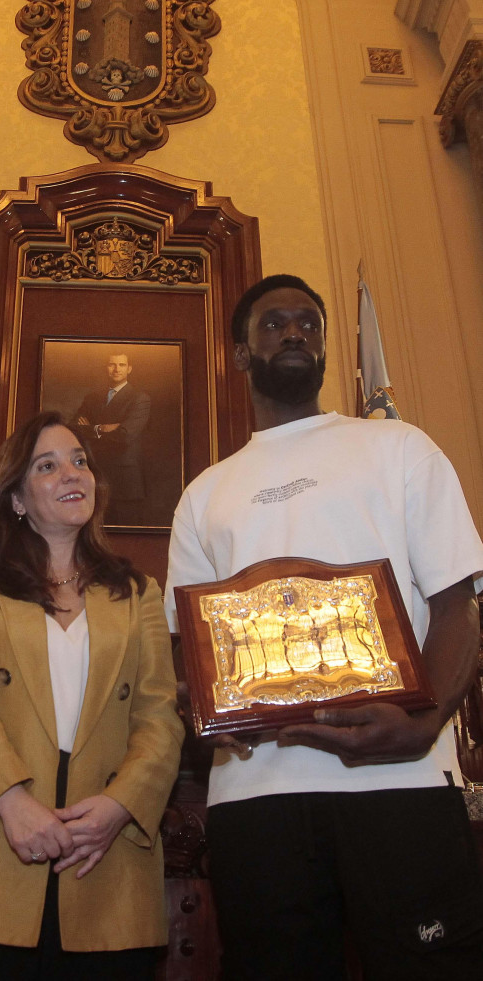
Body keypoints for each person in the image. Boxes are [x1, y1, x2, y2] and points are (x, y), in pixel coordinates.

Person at [164, 274, 483, 980]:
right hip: (254, 797)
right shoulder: (202, 494)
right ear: (240, 353)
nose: (293, 332)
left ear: (325, 346)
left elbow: (460, 601)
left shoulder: (400, 447)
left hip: (399, 780)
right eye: (273, 322)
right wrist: (203, 703)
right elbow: (192, 648)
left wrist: (422, 721)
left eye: (307, 322)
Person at [0, 412, 184, 979]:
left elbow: (159, 714)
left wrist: (120, 805)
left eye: (79, 461)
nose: (71, 473)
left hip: (101, 854)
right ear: (17, 499)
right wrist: (12, 802)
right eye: (47, 466)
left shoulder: (138, 592)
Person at [72, 352, 151, 525]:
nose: (116, 369)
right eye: (112, 364)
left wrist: (91, 430)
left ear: (129, 369)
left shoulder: (140, 399)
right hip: (95, 476)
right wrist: (101, 428)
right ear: (106, 368)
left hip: (124, 481)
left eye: (121, 365)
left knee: (125, 537)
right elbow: (74, 430)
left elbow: (124, 436)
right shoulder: (92, 398)